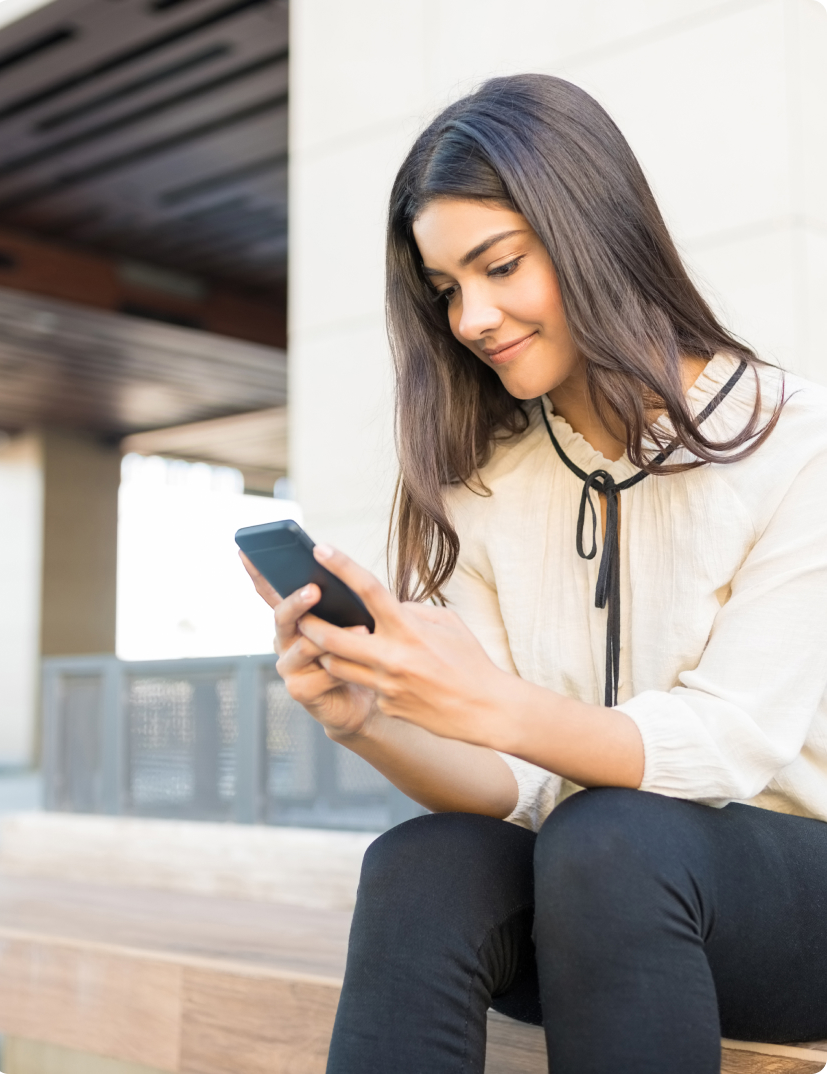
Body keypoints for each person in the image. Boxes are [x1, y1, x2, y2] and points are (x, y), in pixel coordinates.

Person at [241, 74, 827, 1074]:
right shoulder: (495, 480)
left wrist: (488, 702)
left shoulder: (792, 441)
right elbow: (512, 785)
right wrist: (370, 718)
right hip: (595, 896)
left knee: (614, 836)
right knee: (422, 864)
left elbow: (731, 744)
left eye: (499, 265)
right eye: (446, 289)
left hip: (788, 904)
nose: (472, 316)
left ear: (593, 229)